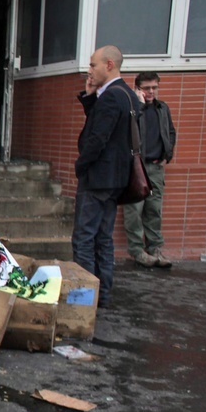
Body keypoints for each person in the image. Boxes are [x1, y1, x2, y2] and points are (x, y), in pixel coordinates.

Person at [72, 45, 140, 308]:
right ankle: (104, 295)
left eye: (93, 65)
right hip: (116, 180)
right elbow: (105, 126)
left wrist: (81, 166)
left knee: (84, 239)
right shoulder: (127, 95)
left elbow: (98, 137)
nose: (89, 70)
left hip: (98, 178)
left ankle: (82, 301)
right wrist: (90, 97)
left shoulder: (111, 96)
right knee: (103, 237)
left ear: (109, 65)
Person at [123, 71, 176, 268]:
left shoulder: (163, 108)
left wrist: (167, 153)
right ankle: (137, 251)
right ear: (138, 89)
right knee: (134, 209)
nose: (151, 91)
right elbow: (128, 129)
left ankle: (155, 249)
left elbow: (170, 131)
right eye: (146, 88)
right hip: (137, 166)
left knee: (154, 210)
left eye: (154, 87)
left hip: (156, 166)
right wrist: (140, 105)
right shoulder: (134, 109)